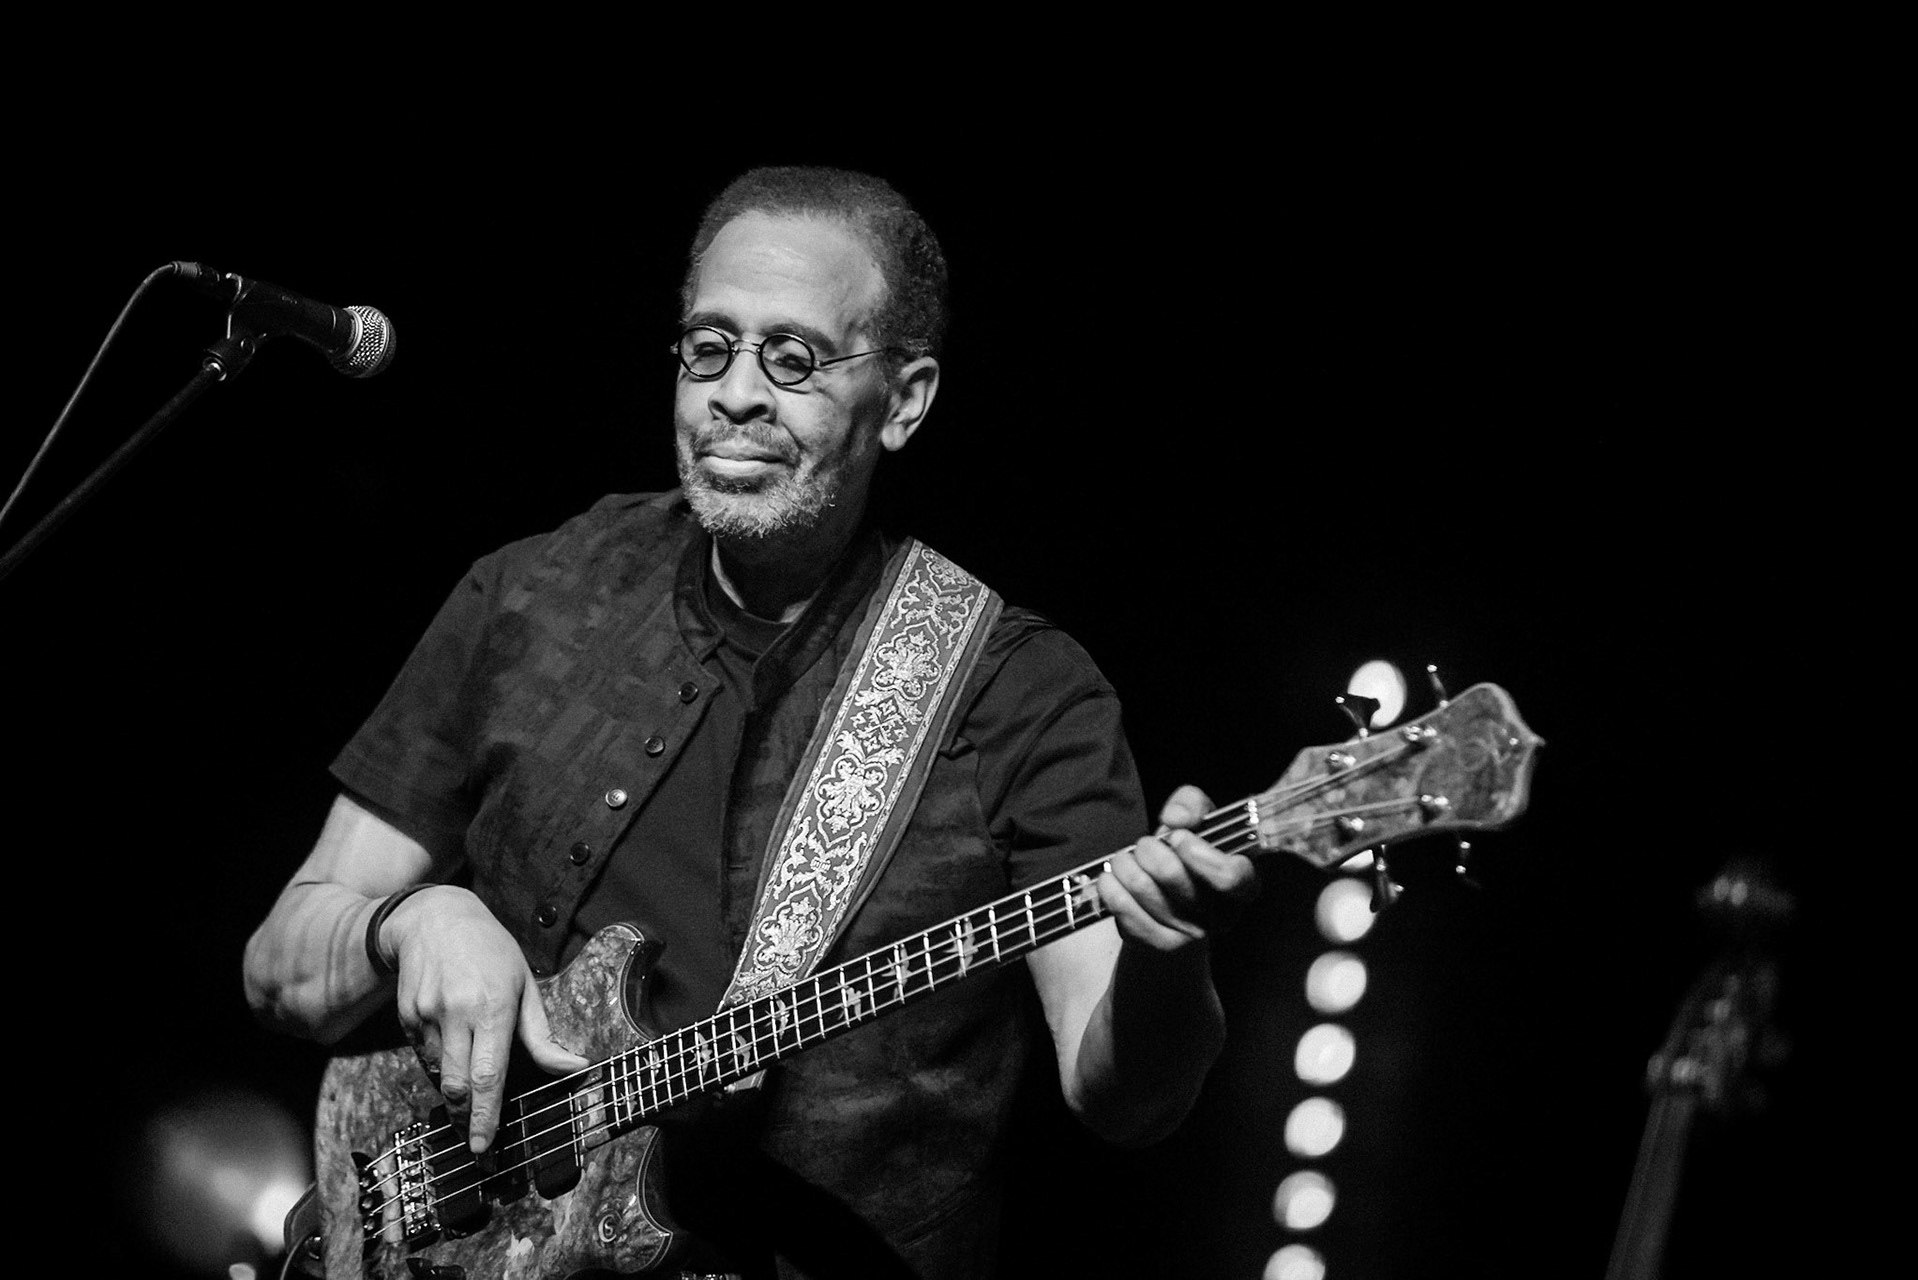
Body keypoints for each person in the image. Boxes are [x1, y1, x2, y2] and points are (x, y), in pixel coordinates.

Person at [244, 165, 1259, 1280]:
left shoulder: (1023, 693)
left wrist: (1167, 963)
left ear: (906, 400)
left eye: (794, 359)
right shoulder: (529, 591)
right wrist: (412, 920)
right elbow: (281, 971)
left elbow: (1125, 1100)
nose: (734, 394)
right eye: (709, 346)